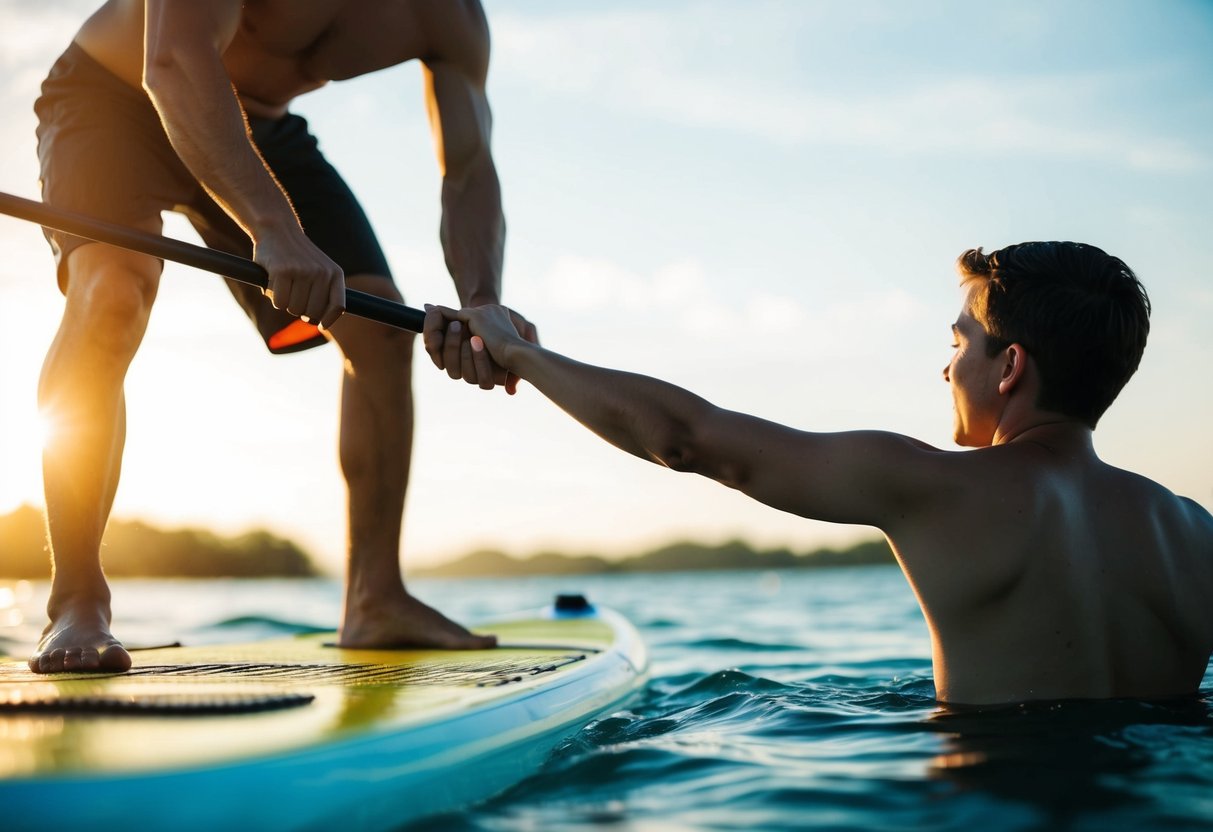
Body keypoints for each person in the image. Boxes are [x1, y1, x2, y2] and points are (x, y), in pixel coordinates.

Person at [424, 241, 1213, 706]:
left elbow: (688, 440)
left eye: (957, 343)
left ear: (1008, 366)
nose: (945, 370)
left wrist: (520, 352)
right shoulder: (1192, 531)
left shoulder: (931, 486)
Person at [29, 0, 537, 674]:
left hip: (258, 127)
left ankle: (374, 597)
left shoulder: (451, 18)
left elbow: (469, 167)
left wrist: (482, 303)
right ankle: (76, 600)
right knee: (113, 293)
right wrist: (273, 226)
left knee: (380, 330)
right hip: (112, 96)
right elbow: (174, 60)